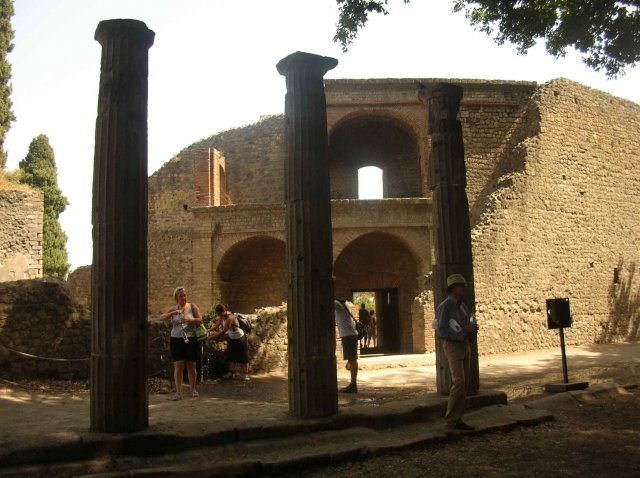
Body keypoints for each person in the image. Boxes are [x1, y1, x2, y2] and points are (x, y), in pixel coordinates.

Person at [435, 274, 479, 430]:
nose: (465, 288)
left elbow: (468, 321)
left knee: (463, 383)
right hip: (453, 345)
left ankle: (458, 418)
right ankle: (451, 420)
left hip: (464, 344)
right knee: (459, 382)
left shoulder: (462, 305)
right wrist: (464, 331)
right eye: (462, 286)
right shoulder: (445, 306)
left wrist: (472, 328)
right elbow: (442, 331)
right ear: (454, 289)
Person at [159, 286, 203, 400]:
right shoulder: (173, 309)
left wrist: (190, 320)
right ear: (176, 298)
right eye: (181, 296)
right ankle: (178, 392)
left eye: (184, 295)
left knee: (191, 365)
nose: (183, 298)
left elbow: (200, 320)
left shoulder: (192, 307)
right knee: (178, 365)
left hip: (191, 339)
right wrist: (172, 313)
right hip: (176, 339)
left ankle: (193, 389)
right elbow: (161, 318)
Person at [209, 304, 250, 381]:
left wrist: (210, 337)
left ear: (224, 311)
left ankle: (246, 374)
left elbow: (223, 331)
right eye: (217, 313)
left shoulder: (230, 318)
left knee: (243, 355)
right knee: (231, 355)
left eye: (220, 313)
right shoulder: (222, 316)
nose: (219, 315)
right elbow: (216, 326)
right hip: (231, 337)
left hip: (240, 337)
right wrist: (207, 331)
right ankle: (231, 373)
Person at [334, 298, 359, 393]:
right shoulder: (345, 304)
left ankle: (353, 385)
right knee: (351, 359)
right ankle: (353, 381)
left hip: (348, 335)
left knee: (352, 359)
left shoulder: (337, 303)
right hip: (349, 334)